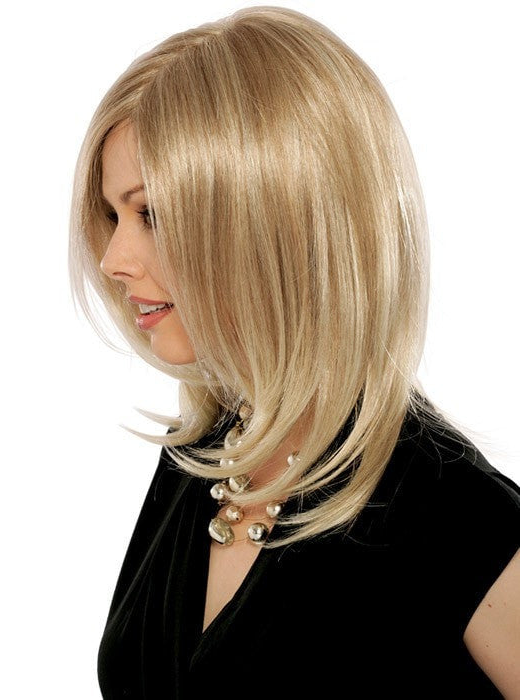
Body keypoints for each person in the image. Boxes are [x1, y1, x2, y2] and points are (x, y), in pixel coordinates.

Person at [68, 6, 520, 698]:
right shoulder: (201, 461)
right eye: (113, 215)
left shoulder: (453, 514)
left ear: (273, 220)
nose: (112, 259)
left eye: (151, 213)